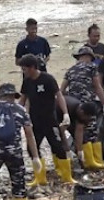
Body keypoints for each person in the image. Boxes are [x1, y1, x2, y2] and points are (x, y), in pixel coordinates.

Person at [19, 54, 74, 185]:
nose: (23, 71)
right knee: (31, 148)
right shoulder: (27, 81)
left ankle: (67, 177)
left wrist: (65, 113)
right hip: (35, 121)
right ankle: (40, 177)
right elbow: (23, 99)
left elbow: (59, 96)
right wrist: (18, 114)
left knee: (58, 147)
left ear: (32, 67)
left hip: (50, 120)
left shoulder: (48, 79)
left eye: (25, 69)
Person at [60, 46, 104, 169]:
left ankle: (82, 160)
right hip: (87, 106)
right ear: (89, 57)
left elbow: (61, 90)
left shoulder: (70, 70)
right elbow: (97, 86)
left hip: (73, 107)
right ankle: (95, 161)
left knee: (78, 132)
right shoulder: (92, 67)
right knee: (92, 132)